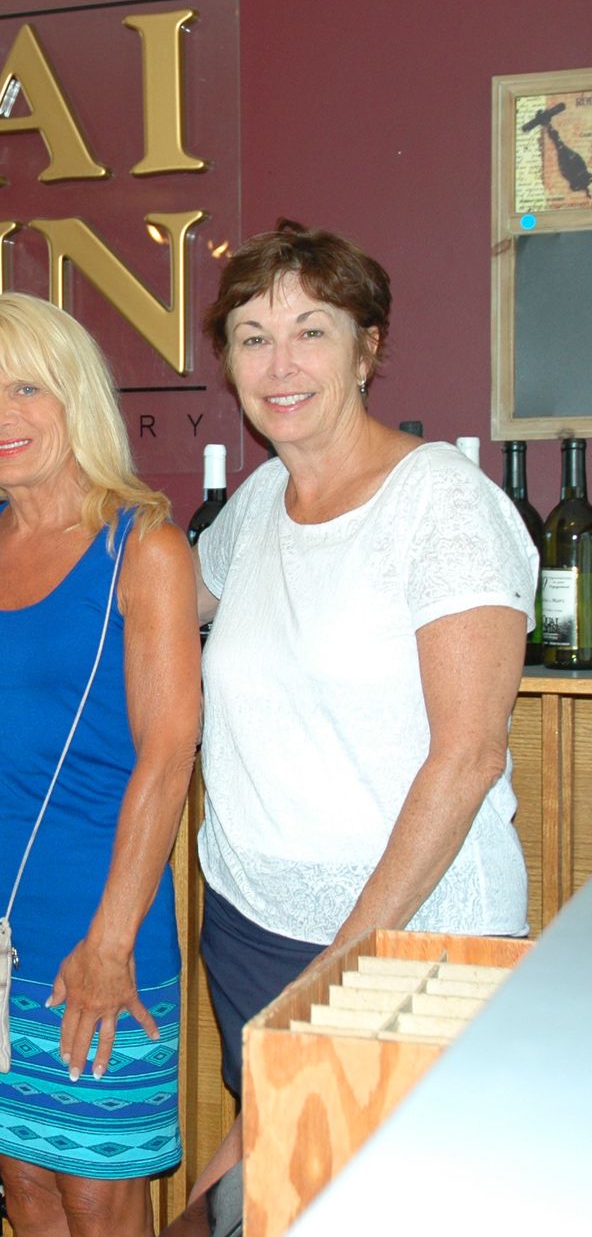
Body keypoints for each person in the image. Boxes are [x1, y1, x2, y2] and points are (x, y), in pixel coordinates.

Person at [190, 220, 533, 1190]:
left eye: (311, 330)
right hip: (253, 928)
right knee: (286, 1194)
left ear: (366, 348)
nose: (280, 363)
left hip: (408, 935)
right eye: (253, 336)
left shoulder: (441, 502)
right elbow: (154, 615)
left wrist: (341, 967)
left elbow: (467, 757)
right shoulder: (257, 503)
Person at [0, 293, 199, 1237]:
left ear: (75, 395)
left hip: (98, 917)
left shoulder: (144, 544)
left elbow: (166, 754)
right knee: (25, 1188)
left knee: (97, 1195)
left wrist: (110, 942)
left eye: (25, 389)